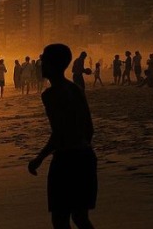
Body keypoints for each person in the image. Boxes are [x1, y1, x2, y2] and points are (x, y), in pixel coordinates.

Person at [28, 44, 97, 229]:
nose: (40, 64)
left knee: (60, 219)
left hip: (67, 160)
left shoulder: (51, 94)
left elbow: (59, 133)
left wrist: (39, 158)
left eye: (43, 60)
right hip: (86, 157)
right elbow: (89, 129)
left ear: (50, 64)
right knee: (81, 217)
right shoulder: (75, 89)